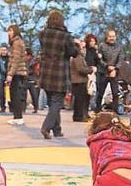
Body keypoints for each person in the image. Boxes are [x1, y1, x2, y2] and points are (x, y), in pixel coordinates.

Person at [38, 10, 78, 139]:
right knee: (57, 102)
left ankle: (57, 129)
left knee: (52, 102)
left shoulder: (42, 34)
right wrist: (76, 46)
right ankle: (46, 127)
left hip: (46, 72)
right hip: (59, 73)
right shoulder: (65, 36)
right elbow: (73, 52)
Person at [6, 24, 28, 126]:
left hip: (17, 71)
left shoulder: (17, 43)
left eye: (10, 31)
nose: (9, 33)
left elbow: (16, 59)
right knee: (14, 94)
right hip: (18, 71)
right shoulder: (17, 42)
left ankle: (18, 117)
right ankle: (17, 116)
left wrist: (10, 73)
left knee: (15, 94)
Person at [70, 39, 92, 122]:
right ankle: (79, 116)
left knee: (78, 100)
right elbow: (80, 69)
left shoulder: (77, 57)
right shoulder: (77, 57)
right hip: (79, 81)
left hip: (77, 80)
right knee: (80, 100)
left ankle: (78, 115)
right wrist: (90, 69)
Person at [26, 48, 41, 113]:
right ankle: (23, 107)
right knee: (24, 94)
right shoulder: (26, 61)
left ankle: (36, 107)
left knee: (34, 95)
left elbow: (36, 70)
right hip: (26, 79)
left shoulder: (34, 61)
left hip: (33, 79)